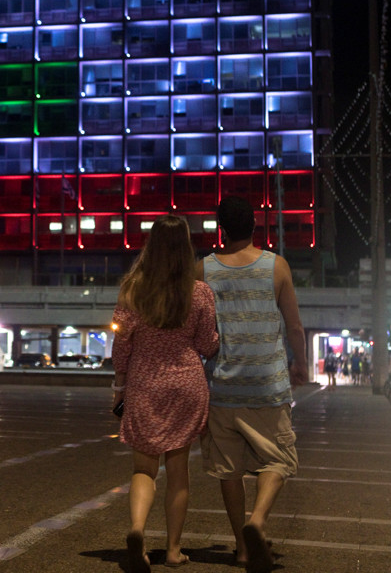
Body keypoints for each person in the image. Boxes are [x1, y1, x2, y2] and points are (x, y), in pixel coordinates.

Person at [197, 196, 308, 573]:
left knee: (228, 470)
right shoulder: (275, 265)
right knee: (277, 459)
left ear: (220, 229)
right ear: (255, 228)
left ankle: (243, 550)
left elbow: (198, 329)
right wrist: (301, 365)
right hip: (268, 384)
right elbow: (293, 325)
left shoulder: (204, 270)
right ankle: (257, 521)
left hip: (224, 385)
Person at [111, 214, 219, 572]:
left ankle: (138, 530)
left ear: (151, 245)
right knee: (179, 471)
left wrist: (119, 386)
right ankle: (173, 550)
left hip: (145, 383)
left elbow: (121, 345)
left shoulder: (133, 288)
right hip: (187, 384)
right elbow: (206, 343)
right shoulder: (200, 292)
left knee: (144, 469)